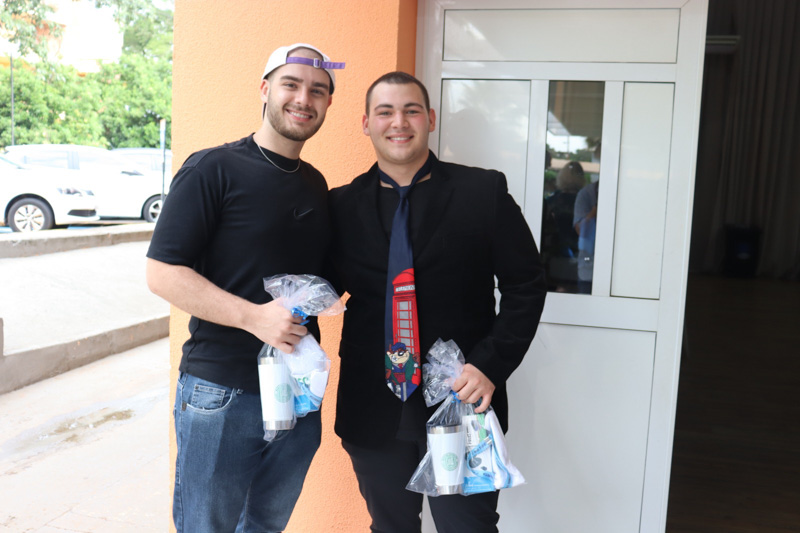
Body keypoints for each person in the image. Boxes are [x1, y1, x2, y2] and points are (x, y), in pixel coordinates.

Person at [328, 71, 547, 533]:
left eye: (410, 110)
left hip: (462, 400)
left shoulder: (482, 192)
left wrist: (490, 364)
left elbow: (526, 284)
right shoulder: (340, 206)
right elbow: (319, 285)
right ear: (366, 123)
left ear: (429, 118)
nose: (398, 122)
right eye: (385, 112)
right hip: (373, 407)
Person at [145, 43, 344, 533]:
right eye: (291, 84)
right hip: (222, 392)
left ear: (328, 103)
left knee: (265, 526)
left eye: (318, 90)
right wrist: (254, 317)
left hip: (298, 393)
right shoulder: (212, 169)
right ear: (265, 89)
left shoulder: (316, 185)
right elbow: (162, 272)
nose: (304, 99)